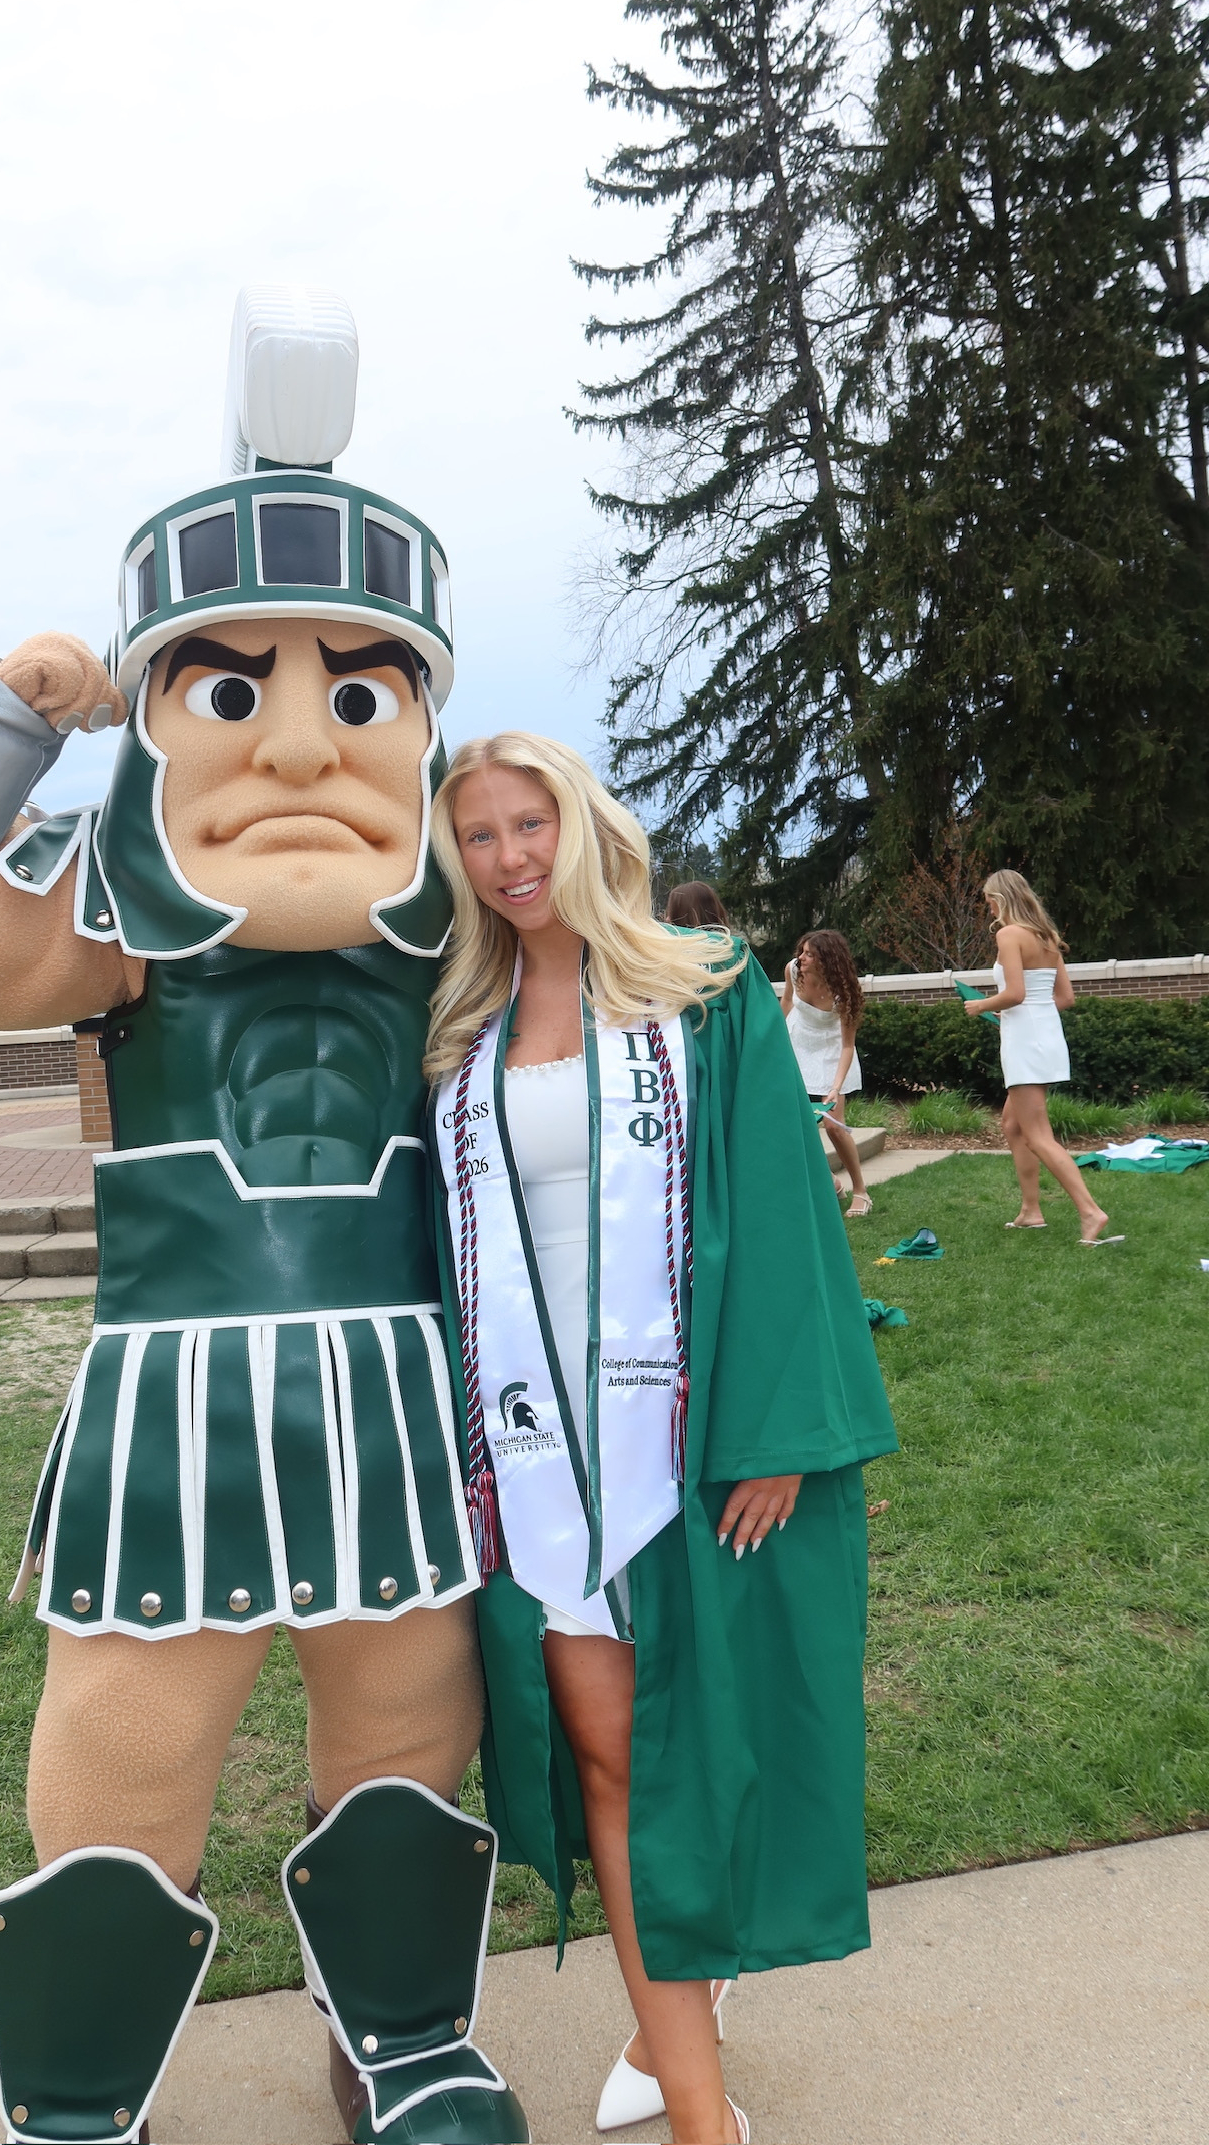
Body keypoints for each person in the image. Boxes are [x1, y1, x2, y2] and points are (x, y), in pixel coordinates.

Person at [0, 288, 528, 2145]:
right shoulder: (106, 918)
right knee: (131, 1748)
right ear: (156, 708)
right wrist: (5, 700)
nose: (299, 742)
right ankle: (76, 2093)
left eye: (356, 687)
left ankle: (398, 2034)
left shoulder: (459, 917)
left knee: (406, 1732)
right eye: (235, 685)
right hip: (178, 1405)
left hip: (395, 1393)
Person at [426, 735, 898, 2145]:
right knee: (615, 1756)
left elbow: (782, 1213)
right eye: (481, 837)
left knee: (713, 1737)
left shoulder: (706, 990)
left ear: (583, 825)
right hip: (535, 1443)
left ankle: (672, 2044)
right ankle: (705, 2103)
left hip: (683, 1430)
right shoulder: (461, 1025)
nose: (512, 858)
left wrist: (775, 1432)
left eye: (531, 823)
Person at [962, 870, 1119, 1245]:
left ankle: (1090, 1212)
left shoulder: (1009, 935)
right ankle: (1031, 1212)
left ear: (1000, 899)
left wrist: (982, 1004)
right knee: (1013, 1125)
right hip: (1045, 1034)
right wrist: (1019, 1009)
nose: (989, 910)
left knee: (1037, 1135)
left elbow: (1015, 993)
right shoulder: (1046, 938)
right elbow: (1065, 998)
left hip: (1024, 1039)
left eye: (989, 902)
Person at [779, 930, 872, 1217]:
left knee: (833, 1126)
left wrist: (835, 1085)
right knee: (797, 1123)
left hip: (832, 1050)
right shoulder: (793, 971)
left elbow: (847, 1045)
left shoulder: (843, 990)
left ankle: (861, 1191)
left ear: (827, 961)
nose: (802, 958)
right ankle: (831, 1183)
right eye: (802, 951)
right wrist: (772, 1042)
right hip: (798, 1042)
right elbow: (785, 1004)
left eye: (810, 954)